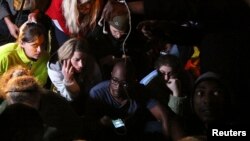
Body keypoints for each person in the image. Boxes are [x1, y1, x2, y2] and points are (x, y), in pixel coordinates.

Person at [84, 59, 185, 141]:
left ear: (133, 82)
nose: (117, 87)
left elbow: (163, 115)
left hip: (136, 129)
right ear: (111, 75)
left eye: (124, 84)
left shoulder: (138, 90)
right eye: (114, 80)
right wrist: (102, 123)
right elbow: (89, 126)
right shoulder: (97, 93)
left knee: (172, 121)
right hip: (108, 134)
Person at [0, 65, 84, 141]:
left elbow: (74, 128)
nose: (21, 111)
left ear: (38, 97)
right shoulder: (5, 110)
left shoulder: (56, 104)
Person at [47, 37, 102, 115]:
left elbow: (98, 87)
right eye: (77, 60)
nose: (81, 64)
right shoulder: (55, 68)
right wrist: (68, 81)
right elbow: (70, 97)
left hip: (88, 98)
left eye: (84, 59)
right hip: (68, 103)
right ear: (66, 58)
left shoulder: (90, 62)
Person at [184, 72, 235, 137]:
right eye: (200, 93)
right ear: (192, 99)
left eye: (216, 93)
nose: (208, 101)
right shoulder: (183, 131)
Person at [0, 21, 49, 87]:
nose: (40, 50)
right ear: (22, 43)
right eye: (34, 45)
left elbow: (39, 84)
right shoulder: (5, 55)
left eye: (42, 44)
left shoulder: (45, 57)